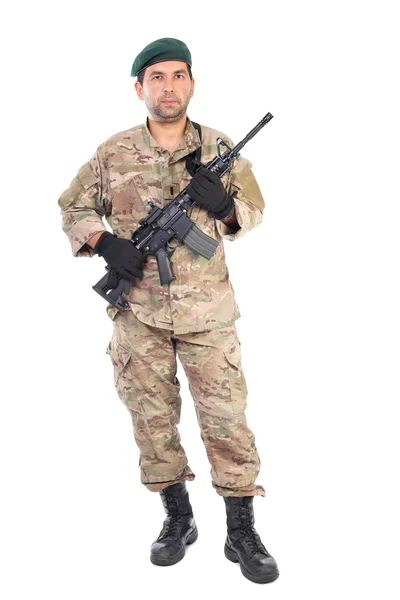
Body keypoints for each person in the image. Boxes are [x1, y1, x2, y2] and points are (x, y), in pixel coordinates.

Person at [58, 37, 279, 584]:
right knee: (152, 421)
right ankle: (177, 518)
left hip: (209, 314)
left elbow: (255, 210)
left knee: (227, 422)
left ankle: (241, 529)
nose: (169, 86)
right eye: (157, 77)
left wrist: (225, 205)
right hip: (138, 314)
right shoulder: (113, 153)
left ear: (192, 84)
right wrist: (105, 243)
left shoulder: (221, 146)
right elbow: (73, 206)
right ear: (140, 88)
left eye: (179, 75)